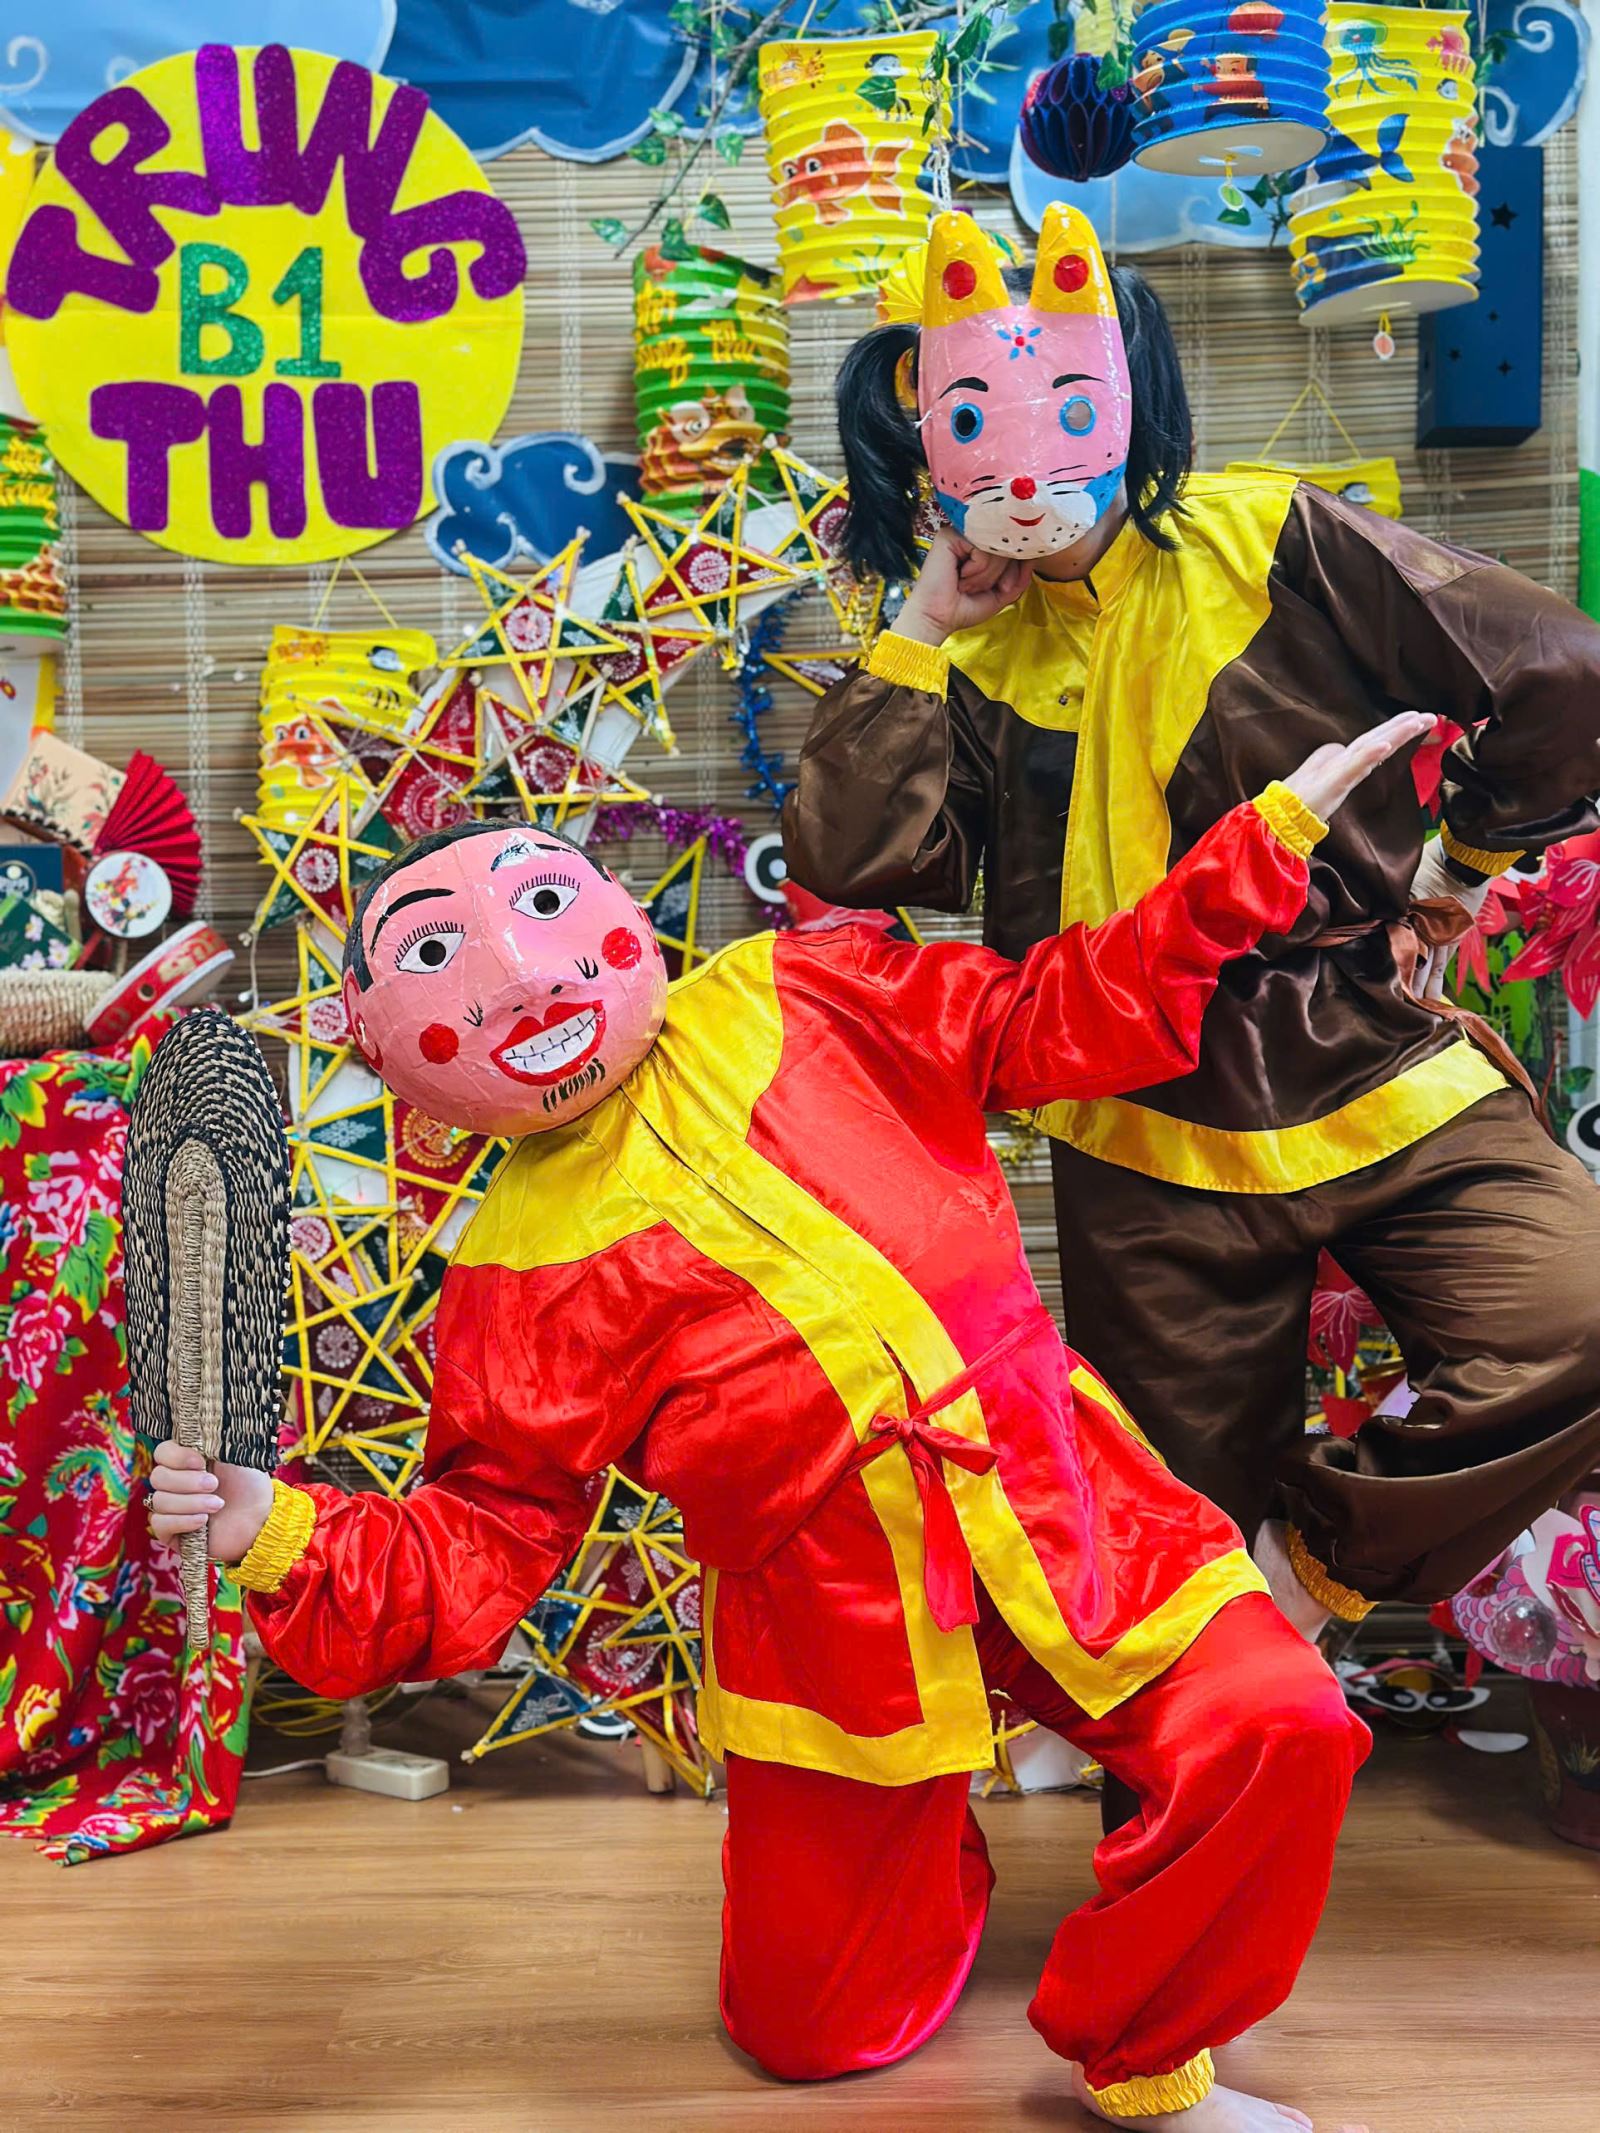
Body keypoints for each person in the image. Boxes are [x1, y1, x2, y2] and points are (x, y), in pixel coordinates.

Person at [149, 717, 1416, 2130]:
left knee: (1281, 1725)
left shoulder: (801, 988)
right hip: (831, 1617)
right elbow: (486, 1528)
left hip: (1063, 1502)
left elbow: (1044, 1013)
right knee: (808, 2034)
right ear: (382, 1042)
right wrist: (276, 1529)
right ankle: (914, 1848)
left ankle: (1149, 2053)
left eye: (544, 903)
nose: (523, 975)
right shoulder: (512, 1273)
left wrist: (1251, 855)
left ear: (611, 907)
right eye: (439, 956)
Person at [784, 202, 1600, 1643]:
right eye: (971, 424)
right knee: (1170, 1540)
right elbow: (853, 868)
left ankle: (1307, 1574)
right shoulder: (968, 652)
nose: (1022, 472)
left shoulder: (1271, 539)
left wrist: (1464, 860)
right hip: (1140, 1131)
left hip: (1368, 1054)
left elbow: (1559, 673)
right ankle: (1208, 1713)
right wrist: (920, 627)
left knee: (1575, 1316)